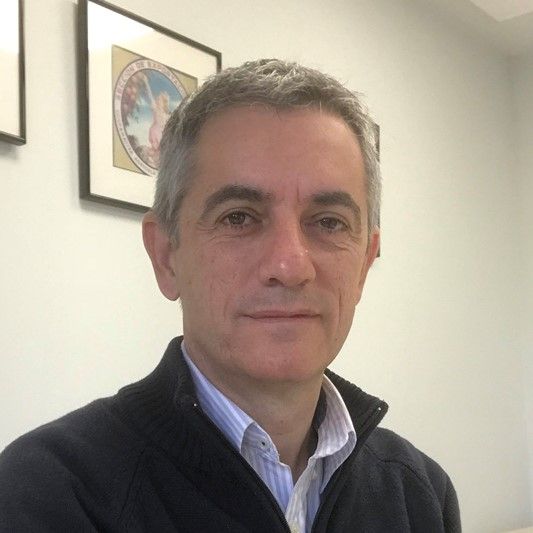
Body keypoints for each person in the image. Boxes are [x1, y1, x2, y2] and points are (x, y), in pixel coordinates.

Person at [0, 59, 460, 532]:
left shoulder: (420, 494)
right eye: (238, 217)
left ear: (364, 263)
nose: (290, 266)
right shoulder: (49, 491)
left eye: (329, 222)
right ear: (166, 256)